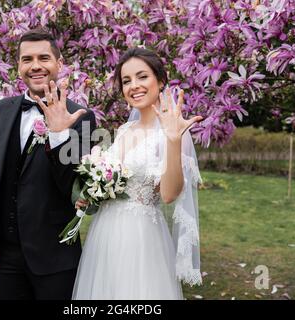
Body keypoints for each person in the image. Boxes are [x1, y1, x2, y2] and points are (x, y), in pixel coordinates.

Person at [0, 28, 96, 300]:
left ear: (59, 64)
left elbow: (74, 188)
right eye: (27, 59)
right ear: (18, 66)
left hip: (55, 257)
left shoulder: (82, 117)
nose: (35, 66)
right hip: (5, 256)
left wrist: (60, 135)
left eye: (43, 58)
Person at [72, 48, 203, 299]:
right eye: (126, 80)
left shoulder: (173, 129)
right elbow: (118, 183)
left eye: (142, 77)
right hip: (105, 236)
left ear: (160, 80)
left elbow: (169, 194)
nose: (134, 86)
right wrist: (92, 195)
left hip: (140, 238)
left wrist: (173, 139)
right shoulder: (125, 129)